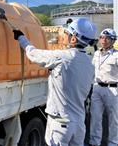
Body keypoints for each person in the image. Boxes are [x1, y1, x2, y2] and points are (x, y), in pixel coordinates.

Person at [13, 18, 97, 146]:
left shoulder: (62, 57)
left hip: (61, 125)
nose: (64, 36)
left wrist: (21, 38)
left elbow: (34, 54)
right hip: (79, 124)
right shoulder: (90, 64)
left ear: (73, 39)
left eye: (67, 34)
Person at [89, 28, 118, 146]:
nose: (104, 40)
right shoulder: (96, 54)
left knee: (114, 120)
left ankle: (113, 143)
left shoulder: (116, 55)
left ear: (113, 40)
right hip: (97, 88)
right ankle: (94, 142)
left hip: (112, 89)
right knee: (95, 118)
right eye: (102, 37)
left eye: (107, 38)